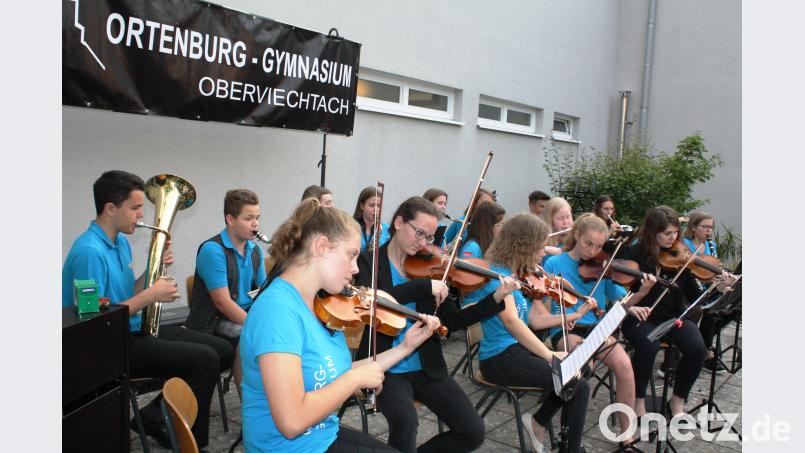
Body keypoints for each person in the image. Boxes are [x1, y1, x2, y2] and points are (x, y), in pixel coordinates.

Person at [239, 199, 442, 452]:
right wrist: (355, 379)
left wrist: (405, 348)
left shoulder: (317, 304)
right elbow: (291, 421)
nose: (356, 268)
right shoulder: (277, 312)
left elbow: (336, 371)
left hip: (321, 436)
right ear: (322, 247)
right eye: (351, 255)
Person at [61, 170, 233, 449]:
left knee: (224, 349)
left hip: (131, 331)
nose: (141, 215)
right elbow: (95, 320)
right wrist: (153, 294)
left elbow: (125, 294)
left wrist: (153, 272)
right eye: (136, 207)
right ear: (110, 208)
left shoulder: (119, 244)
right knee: (204, 360)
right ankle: (189, 439)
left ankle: (156, 413)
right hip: (109, 347)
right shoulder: (90, 252)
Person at [354, 196, 521, 453]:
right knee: (406, 421)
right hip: (384, 367)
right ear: (399, 222)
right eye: (419, 233)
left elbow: (452, 321)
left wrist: (495, 298)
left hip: (426, 366)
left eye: (429, 237)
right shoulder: (368, 263)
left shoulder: (429, 268)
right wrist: (423, 286)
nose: (422, 243)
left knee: (473, 431)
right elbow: (374, 300)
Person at [462, 213, 589, 453]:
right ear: (525, 246)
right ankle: (569, 447)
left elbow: (534, 319)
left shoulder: (517, 273)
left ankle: (538, 422)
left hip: (515, 350)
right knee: (575, 383)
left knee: (582, 368)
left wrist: (574, 315)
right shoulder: (497, 277)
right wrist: (550, 355)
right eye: (540, 247)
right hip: (499, 358)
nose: (544, 252)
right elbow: (512, 322)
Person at [543, 213, 657, 444]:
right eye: (588, 244)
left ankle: (627, 437)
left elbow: (621, 302)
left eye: (598, 246)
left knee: (625, 366)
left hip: (597, 329)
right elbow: (547, 303)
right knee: (585, 366)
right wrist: (565, 316)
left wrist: (642, 293)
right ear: (577, 235)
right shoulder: (555, 263)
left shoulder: (603, 268)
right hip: (567, 330)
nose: (593, 252)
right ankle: (570, 436)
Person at [620, 206, 736, 417]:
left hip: (672, 316)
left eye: (675, 233)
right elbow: (619, 289)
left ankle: (677, 401)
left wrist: (717, 288)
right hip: (640, 315)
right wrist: (631, 302)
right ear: (652, 232)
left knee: (697, 349)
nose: (672, 238)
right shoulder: (633, 253)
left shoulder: (682, 258)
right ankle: (637, 400)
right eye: (667, 234)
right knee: (648, 346)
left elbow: (695, 297)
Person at [682, 211, 728, 373]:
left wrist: (718, 278)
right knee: (707, 310)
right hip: (688, 287)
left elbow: (713, 269)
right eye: (705, 227)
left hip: (706, 287)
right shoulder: (684, 243)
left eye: (711, 228)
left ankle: (704, 347)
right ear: (693, 227)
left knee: (720, 309)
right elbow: (685, 270)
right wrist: (707, 279)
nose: (709, 231)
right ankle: (706, 352)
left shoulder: (711, 246)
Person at [353, 186, 390, 251]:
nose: (376, 209)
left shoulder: (387, 230)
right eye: (371, 205)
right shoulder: (350, 227)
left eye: (378, 206)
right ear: (362, 206)